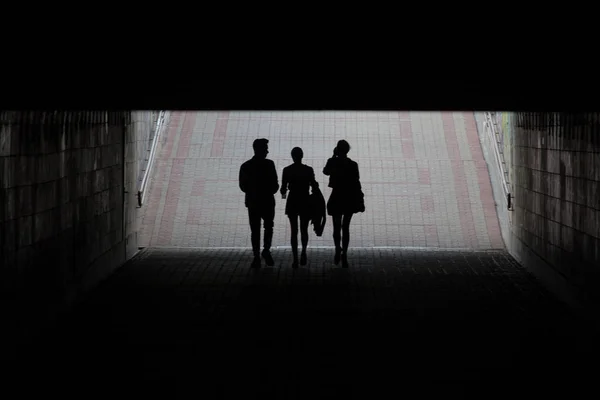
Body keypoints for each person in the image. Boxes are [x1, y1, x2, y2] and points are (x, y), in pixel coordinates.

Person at [323, 140, 365, 268]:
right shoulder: (353, 164)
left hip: (337, 196)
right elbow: (357, 182)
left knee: (336, 225)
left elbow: (325, 171)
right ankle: (345, 255)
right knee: (345, 227)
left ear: (337, 149)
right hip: (349, 197)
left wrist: (333, 156)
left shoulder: (333, 162)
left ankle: (337, 249)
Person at [239, 138, 279, 268]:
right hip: (267, 201)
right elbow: (275, 185)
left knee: (255, 230)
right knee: (268, 227)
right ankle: (266, 250)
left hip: (253, 202)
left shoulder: (246, 166)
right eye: (265, 148)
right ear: (260, 149)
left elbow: (243, 186)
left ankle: (256, 256)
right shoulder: (269, 164)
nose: (267, 150)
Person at [280, 147, 319, 268]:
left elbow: (283, 189)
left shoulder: (287, 170)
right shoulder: (308, 170)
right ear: (302, 156)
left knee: (294, 231)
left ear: (292, 156)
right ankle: (303, 252)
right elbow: (314, 185)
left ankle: (295, 258)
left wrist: (284, 193)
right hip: (305, 200)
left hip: (292, 201)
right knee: (304, 229)